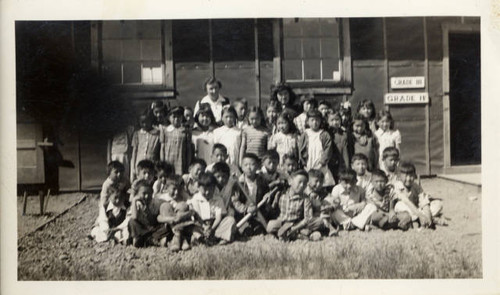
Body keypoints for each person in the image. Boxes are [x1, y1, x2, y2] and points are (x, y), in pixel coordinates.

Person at [392, 162, 445, 229]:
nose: (408, 179)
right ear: (400, 176)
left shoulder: (416, 186)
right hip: (405, 210)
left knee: (438, 204)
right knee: (399, 205)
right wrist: (420, 215)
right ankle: (425, 219)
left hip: (416, 210)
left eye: (411, 176)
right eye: (405, 176)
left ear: (415, 176)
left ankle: (426, 220)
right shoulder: (397, 186)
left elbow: (424, 202)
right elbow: (407, 202)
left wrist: (428, 217)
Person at [189, 172, 237, 245]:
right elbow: (197, 216)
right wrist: (204, 227)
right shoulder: (195, 199)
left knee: (230, 220)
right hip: (201, 224)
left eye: (211, 189)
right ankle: (202, 239)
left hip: (215, 225)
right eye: (204, 190)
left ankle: (216, 237)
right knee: (192, 226)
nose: (207, 192)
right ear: (198, 187)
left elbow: (218, 217)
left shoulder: (218, 199)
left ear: (214, 188)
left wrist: (211, 229)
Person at [231, 153, 271, 236]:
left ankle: (257, 227)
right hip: (243, 214)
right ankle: (246, 229)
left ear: (257, 166)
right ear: (241, 167)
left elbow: (267, 193)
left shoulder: (262, 181)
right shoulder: (238, 183)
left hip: (258, 212)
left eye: (252, 164)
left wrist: (267, 196)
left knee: (260, 229)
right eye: (246, 165)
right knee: (245, 230)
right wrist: (246, 209)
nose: (249, 168)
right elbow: (235, 201)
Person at [90, 161, 130, 243]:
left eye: (121, 172)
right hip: (110, 204)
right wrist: (106, 206)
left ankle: (117, 233)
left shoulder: (125, 180)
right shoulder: (107, 184)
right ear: (109, 173)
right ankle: (103, 231)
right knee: (103, 219)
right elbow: (103, 199)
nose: (119, 174)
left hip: (122, 202)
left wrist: (128, 197)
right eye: (116, 172)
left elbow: (129, 191)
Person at [266, 170, 312, 241]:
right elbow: (273, 209)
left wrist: (294, 228)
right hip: (281, 222)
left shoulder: (305, 199)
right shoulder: (281, 194)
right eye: (299, 182)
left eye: (305, 184)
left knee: (305, 230)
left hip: (294, 223)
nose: (302, 185)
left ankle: (291, 233)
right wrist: (268, 202)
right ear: (290, 181)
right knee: (270, 226)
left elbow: (307, 218)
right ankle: (289, 234)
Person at [156, 176, 195, 251]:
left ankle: (178, 238)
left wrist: (182, 216)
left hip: (183, 226)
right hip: (167, 227)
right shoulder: (162, 198)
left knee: (183, 205)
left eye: (179, 189)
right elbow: (158, 218)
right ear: (166, 188)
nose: (177, 192)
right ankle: (181, 239)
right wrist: (172, 218)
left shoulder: (184, 196)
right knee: (165, 206)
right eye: (174, 189)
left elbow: (192, 211)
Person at [298, 109, 335, 187]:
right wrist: (304, 163)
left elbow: (328, 150)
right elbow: (301, 149)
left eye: (317, 120)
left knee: (321, 183)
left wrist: (322, 163)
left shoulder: (324, 134)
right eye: (312, 120)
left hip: (320, 164)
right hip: (309, 164)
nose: (315, 122)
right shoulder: (305, 134)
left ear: (321, 121)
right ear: (307, 121)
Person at [304, 169, 338, 239]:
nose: (318, 184)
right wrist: (310, 194)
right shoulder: (305, 191)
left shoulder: (322, 191)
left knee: (328, 201)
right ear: (308, 181)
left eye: (321, 182)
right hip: (307, 216)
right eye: (316, 181)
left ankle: (320, 231)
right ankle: (330, 228)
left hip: (318, 215)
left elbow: (335, 200)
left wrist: (331, 206)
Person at [128, 179, 162, 247]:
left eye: (149, 193)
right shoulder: (136, 204)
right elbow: (134, 217)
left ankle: (148, 240)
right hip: (141, 229)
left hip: (152, 228)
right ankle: (141, 239)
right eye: (144, 194)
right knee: (132, 222)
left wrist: (148, 212)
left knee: (164, 227)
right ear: (137, 194)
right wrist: (134, 200)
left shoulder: (153, 203)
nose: (146, 196)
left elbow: (153, 220)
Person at [160, 106, 193, 175]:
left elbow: (188, 149)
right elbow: (162, 148)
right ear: (169, 118)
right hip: (168, 161)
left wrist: (188, 164)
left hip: (181, 162)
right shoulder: (165, 131)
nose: (176, 119)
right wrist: (162, 163)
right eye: (174, 117)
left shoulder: (186, 131)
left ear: (182, 118)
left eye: (179, 117)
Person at [130, 112, 160, 181]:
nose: (145, 124)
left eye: (147, 122)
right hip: (139, 163)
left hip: (152, 163)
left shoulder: (157, 134)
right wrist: (133, 168)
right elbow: (134, 152)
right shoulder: (137, 134)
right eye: (142, 122)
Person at [326, 111, 349, 182]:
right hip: (333, 161)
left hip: (344, 159)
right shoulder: (327, 134)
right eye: (332, 120)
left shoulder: (344, 133)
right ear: (328, 121)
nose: (335, 122)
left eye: (337, 120)